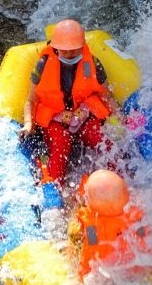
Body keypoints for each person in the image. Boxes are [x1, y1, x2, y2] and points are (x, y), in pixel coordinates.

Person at [20, 19, 122, 182]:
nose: (69, 54)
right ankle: (53, 185)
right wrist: (28, 124)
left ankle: (119, 178)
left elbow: (106, 95)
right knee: (61, 143)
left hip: (83, 116)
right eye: (65, 51)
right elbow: (31, 100)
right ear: (55, 48)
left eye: (74, 50)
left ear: (82, 46)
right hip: (55, 119)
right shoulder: (43, 64)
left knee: (101, 140)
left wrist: (119, 118)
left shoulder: (93, 63)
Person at [68, 169, 152, 280]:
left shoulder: (91, 228)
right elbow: (146, 242)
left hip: (99, 277)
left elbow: (87, 247)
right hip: (136, 272)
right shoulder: (135, 219)